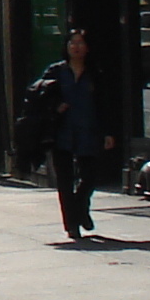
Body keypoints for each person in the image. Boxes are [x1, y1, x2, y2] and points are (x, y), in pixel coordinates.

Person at [39, 25, 112, 238]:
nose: (76, 47)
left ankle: (80, 209)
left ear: (88, 48)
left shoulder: (95, 74)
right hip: (62, 132)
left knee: (89, 177)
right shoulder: (56, 72)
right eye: (73, 43)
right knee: (65, 180)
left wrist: (108, 132)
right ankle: (72, 224)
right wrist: (55, 106)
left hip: (89, 131)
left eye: (81, 43)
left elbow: (104, 105)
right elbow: (39, 97)